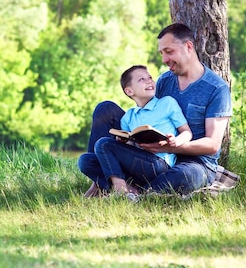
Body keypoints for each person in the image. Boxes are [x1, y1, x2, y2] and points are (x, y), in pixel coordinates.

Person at [81, 23, 232, 196]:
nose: (164, 60)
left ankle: (133, 191)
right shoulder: (165, 80)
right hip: (153, 159)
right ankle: (102, 184)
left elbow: (212, 145)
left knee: (188, 175)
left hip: (193, 162)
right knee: (104, 111)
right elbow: (149, 116)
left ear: (188, 47)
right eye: (162, 53)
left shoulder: (216, 88)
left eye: (169, 51)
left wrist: (169, 148)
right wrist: (130, 139)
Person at [77, 65, 192, 198]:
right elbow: (130, 150)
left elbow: (187, 132)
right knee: (85, 160)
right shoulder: (128, 117)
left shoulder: (167, 103)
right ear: (129, 91)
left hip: (159, 163)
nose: (149, 81)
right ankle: (128, 187)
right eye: (141, 79)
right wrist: (124, 142)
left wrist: (176, 141)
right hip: (138, 165)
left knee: (103, 144)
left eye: (150, 77)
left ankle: (120, 190)